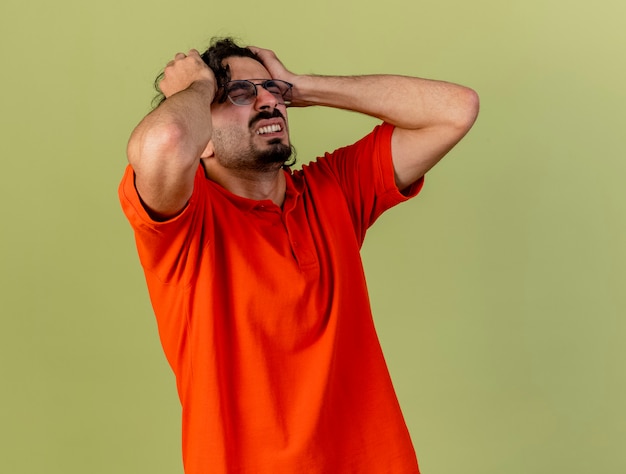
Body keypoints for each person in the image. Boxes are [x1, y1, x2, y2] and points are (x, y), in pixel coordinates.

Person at [119, 37, 479, 474]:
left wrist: (301, 85)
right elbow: (166, 141)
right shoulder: (185, 225)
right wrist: (194, 87)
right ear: (203, 141)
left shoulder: (335, 190)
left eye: (272, 91)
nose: (268, 102)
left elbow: (455, 109)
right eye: (238, 93)